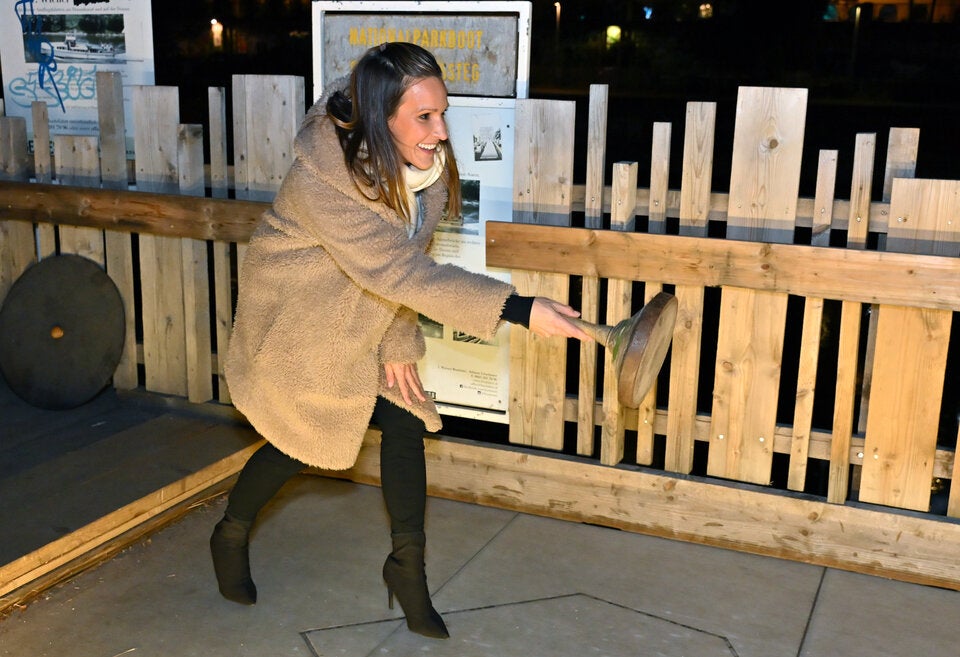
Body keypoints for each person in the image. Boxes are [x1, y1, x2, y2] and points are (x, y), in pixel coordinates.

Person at [211, 42, 591, 640]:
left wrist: (396, 345)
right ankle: (230, 532)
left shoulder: (426, 175)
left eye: (443, 114)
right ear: (380, 115)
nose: (441, 131)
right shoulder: (325, 177)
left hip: (366, 312)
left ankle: (406, 568)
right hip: (298, 325)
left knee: (407, 421)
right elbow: (398, 272)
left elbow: (402, 266)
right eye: (424, 117)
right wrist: (515, 308)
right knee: (298, 440)